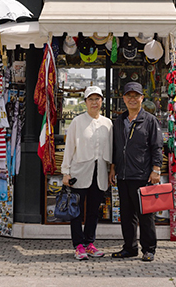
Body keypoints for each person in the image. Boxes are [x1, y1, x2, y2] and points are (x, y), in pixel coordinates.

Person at [109, 81, 163, 262]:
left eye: (136, 96)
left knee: (146, 216)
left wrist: (156, 169)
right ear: (123, 98)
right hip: (123, 176)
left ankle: (149, 249)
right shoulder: (119, 121)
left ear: (142, 98)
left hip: (143, 176)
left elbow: (157, 147)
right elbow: (116, 148)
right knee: (126, 216)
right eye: (129, 96)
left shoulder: (150, 121)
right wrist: (113, 168)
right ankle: (129, 248)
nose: (132, 99)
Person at [61, 86, 113, 260]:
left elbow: (111, 149)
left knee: (93, 211)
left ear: (102, 101)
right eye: (91, 99)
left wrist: (112, 169)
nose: (94, 102)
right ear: (85, 102)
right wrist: (65, 171)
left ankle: (90, 242)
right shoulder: (77, 121)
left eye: (97, 99)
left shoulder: (108, 123)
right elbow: (69, 148)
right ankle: (78, 245)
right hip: (79, 172)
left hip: (100, 173)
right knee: (76, 211)